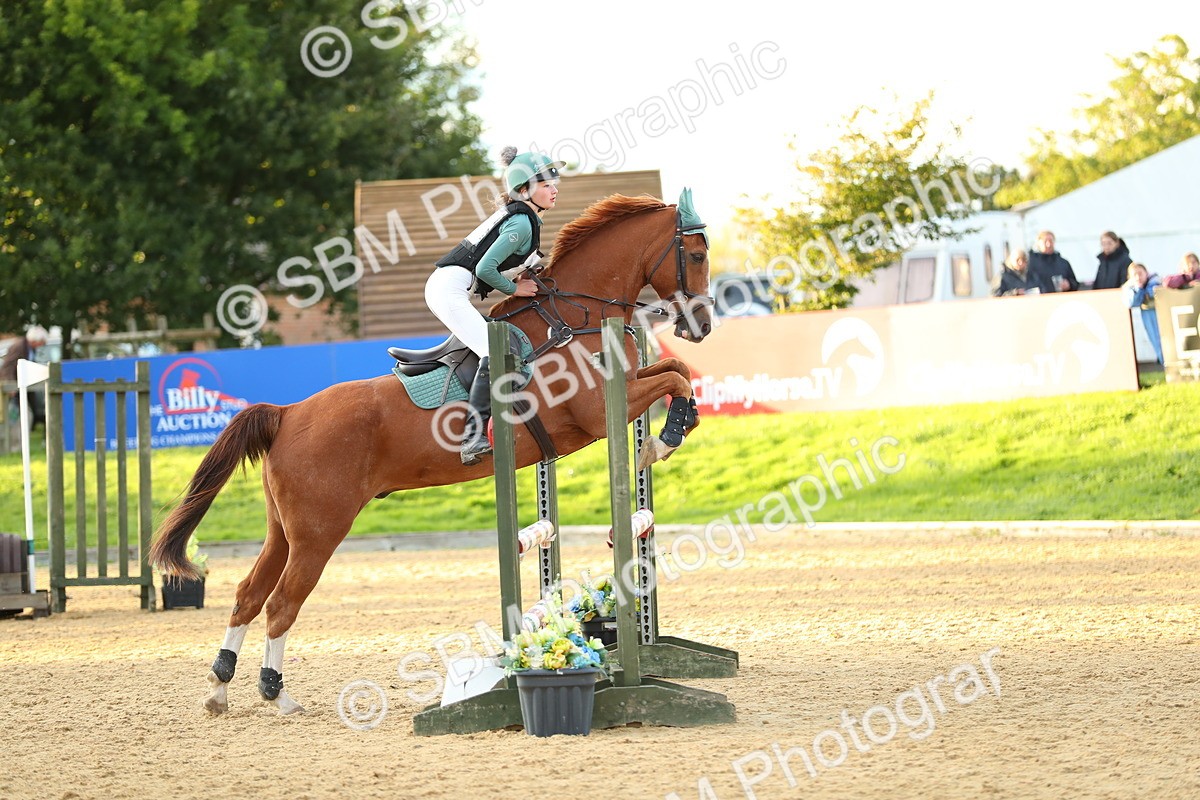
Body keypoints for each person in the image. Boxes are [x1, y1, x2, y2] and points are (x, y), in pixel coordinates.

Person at [423, 146, 564, 466]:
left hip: (452, 287)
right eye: (545, 184)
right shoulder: (522, 223)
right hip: (449, 290)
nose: (554, 189)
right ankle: (472, 437)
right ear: (524, 189)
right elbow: (486, 269)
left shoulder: (526, 218)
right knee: (496, 351)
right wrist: (515, 289)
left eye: (554, 183)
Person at [1, 325, 49, 431]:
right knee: (17, 416)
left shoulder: (30, 348)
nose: (43, 344)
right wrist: (10, 384)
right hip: (13, 388)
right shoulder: (19, 346)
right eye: (43, 341)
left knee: (27, 414)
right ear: (36, 340)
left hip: (22, 386)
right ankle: (14, 444)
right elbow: (7, 367)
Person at [1122, 263, 1163, 364]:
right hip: (1148, 319)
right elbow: (1131, 302)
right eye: (1134, 275)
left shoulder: (1155, 282)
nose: (1138, 277)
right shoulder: (1132, 289)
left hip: (1161, 316)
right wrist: (1138, 289)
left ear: (1146, 273)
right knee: (1156, 342)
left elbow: (1154, 292)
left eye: (1140, 273)